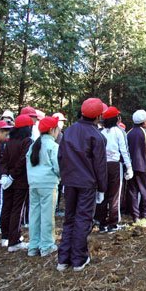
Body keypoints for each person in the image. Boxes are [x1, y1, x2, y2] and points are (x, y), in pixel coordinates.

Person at [57, 98, 107, 272]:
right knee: (83, 219)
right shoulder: (97, 136)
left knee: (70, 218)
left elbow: (60, 157)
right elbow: (100, 166)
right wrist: (102, 188)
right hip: (87, 184)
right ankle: (78, 259)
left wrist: (64, 178)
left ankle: (63, 259)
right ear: (98, 116)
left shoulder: (69, 131)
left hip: (70, 182)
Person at [25, 116, 61, 257]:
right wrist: (59, 177)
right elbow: (57, 166)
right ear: (52, 130)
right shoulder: (53, 146)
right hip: (48, 184)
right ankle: (46, 245)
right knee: (47, 215)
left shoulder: (33, 145)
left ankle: (33, 246)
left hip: (33, 184)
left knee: (34, 214)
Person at [0, 114, 34, 252]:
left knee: (7, 207)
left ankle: (5, 237)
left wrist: (5, 175)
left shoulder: (10, 141)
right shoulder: (27, 141)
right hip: (19, 181)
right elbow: (23, 160)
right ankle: (14, 241)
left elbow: (4, 160)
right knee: (16, 209)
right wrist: (11, 176)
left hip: (9, 181)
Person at [96, 106, 133, 233]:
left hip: (102, 166)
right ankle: (113, 224)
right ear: (117, 118)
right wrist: (129, 167)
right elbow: (124, 151)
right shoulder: (119, 132)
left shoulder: (101, 132)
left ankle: (102, 223)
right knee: (115, 195)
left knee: (102, 194)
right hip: (115, 166)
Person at [126, 110, 146, 225]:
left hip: (131, 168)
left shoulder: (129, 133)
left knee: (133, 193)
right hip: (145, 167)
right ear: (144, 122)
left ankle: (135, 217)